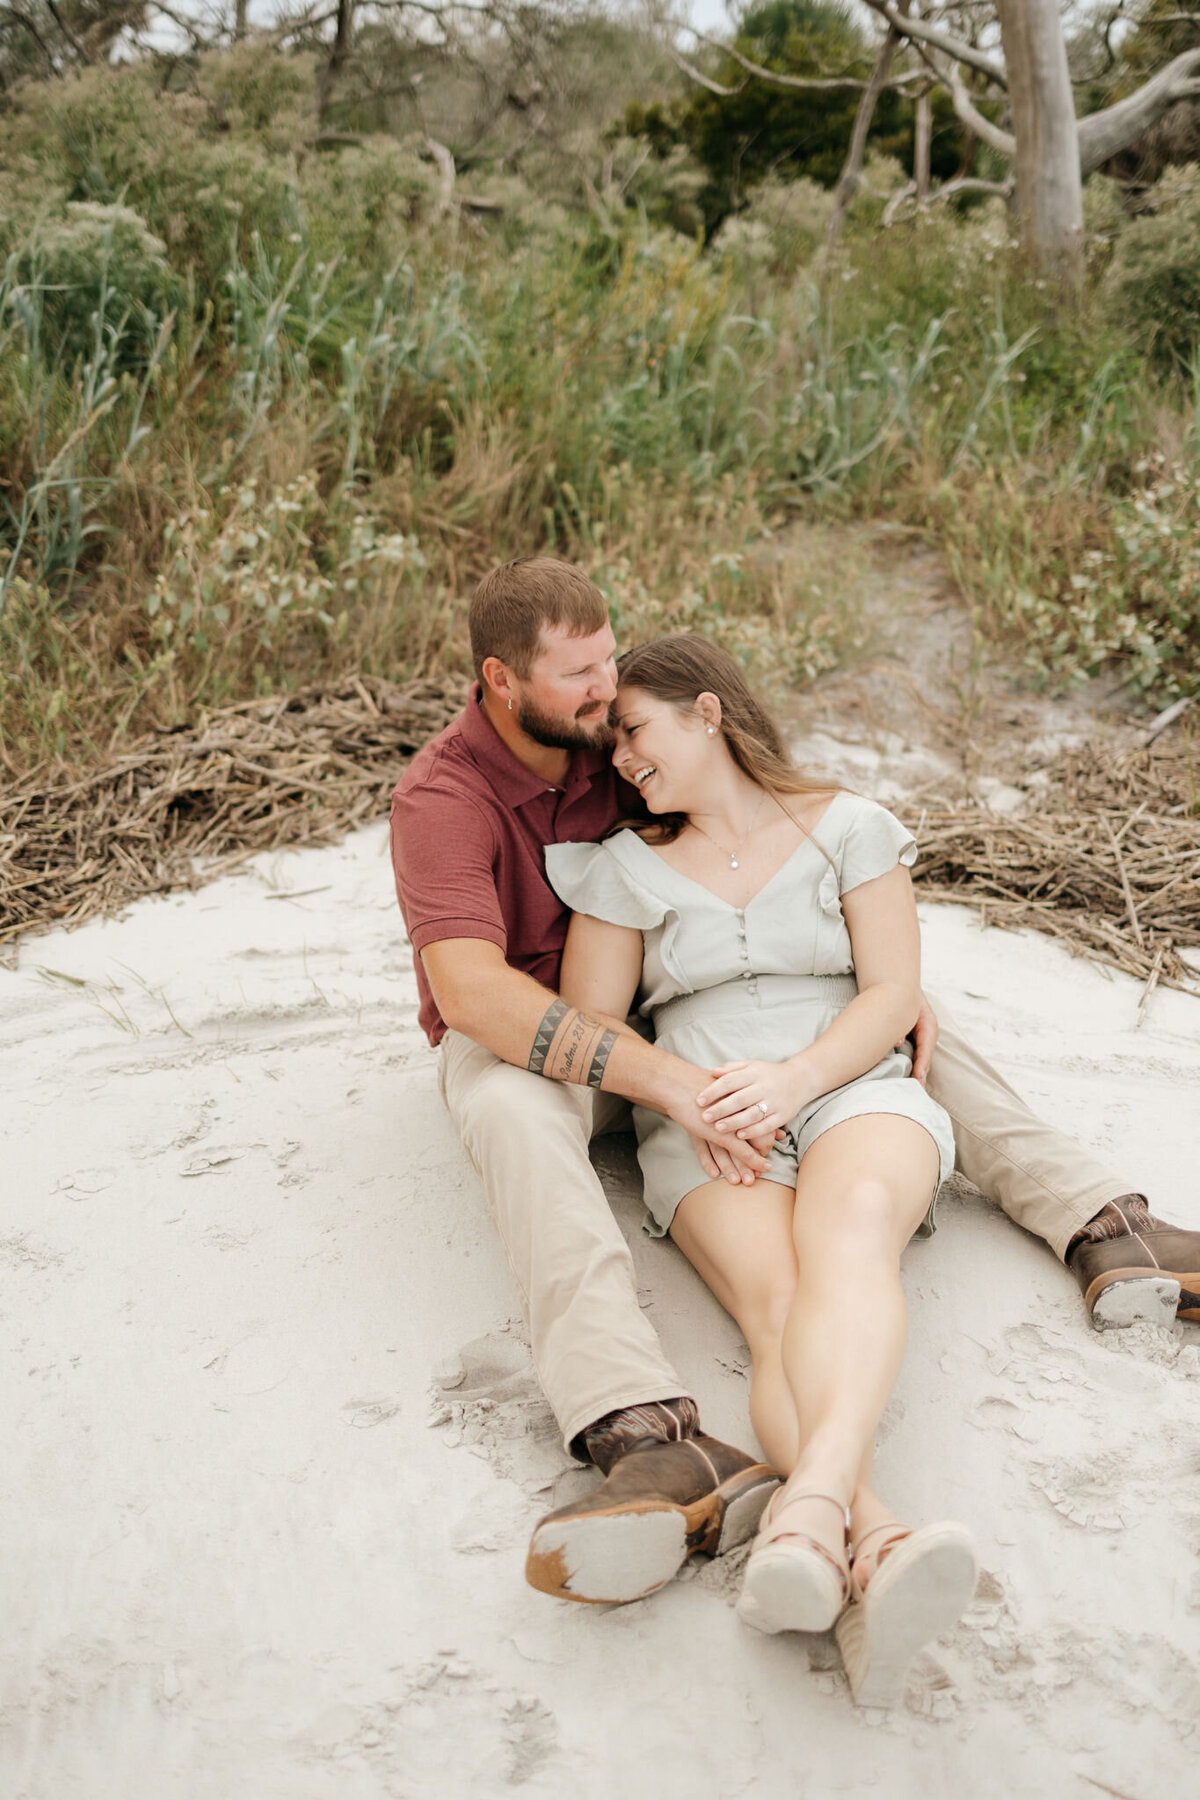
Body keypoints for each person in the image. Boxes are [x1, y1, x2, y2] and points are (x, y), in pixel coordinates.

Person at [389, 556, 1200, 1619]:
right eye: (583, 678)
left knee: (897, 1021)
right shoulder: (443, 796)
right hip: (540, 1034)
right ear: (501, 681)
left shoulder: (617, 742)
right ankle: (641, 1429)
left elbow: (754, 826)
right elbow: (477, 995)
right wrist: (673, 1082)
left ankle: (1101, 1223)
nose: (609, 699)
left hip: (691, 1021)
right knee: (515, 1112)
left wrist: (864, 1002)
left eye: (613, 671)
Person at [546, 634, 977, 1702]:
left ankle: (814, 1506)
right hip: (703, 1119)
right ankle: (871, 1540)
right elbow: (600, 1025)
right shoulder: (621, 869)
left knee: (855, 1233)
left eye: (635, 731)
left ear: (706, 712)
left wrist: (793, 1081)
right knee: (776, 1307)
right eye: (611, 752)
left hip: (846, 1083)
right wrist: (685, 1099)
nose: (623, 763)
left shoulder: (848, 829)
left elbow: (889, 993)